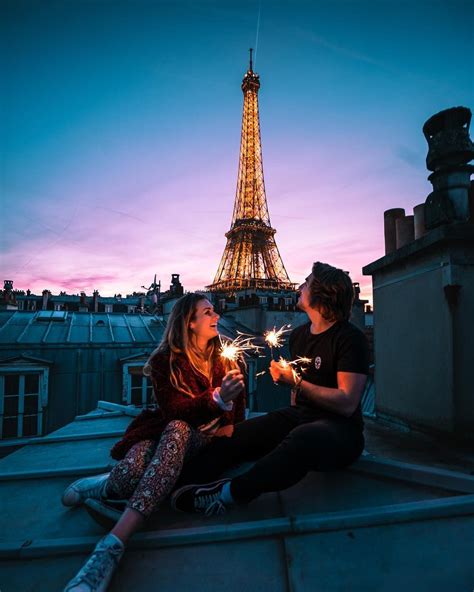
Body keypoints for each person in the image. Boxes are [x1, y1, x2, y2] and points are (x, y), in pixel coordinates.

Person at [61, 293, 246, 592]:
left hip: (202, 440)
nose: (217, 317)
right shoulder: (164, 362)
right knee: (135, 468)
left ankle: (111, 547)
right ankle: (103, 484)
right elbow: (175, 411)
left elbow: (237, 413)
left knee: (178, 431)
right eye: (209, 312)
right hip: (164, 432)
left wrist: (229, 419)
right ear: (190, 323)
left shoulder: (228, 356)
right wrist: (217, 398)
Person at [171, 262, 369, 516]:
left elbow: (346, 403)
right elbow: (297, 400)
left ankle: (227, 493)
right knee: (233, 434)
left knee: (302, 439)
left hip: (340, 431)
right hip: (302, 417)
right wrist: (289, 388)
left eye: (307, 283)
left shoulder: (350, 338)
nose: (299, 287)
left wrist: (295, 383)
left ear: (322, 293)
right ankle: (171, 485)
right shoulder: (299, 335)